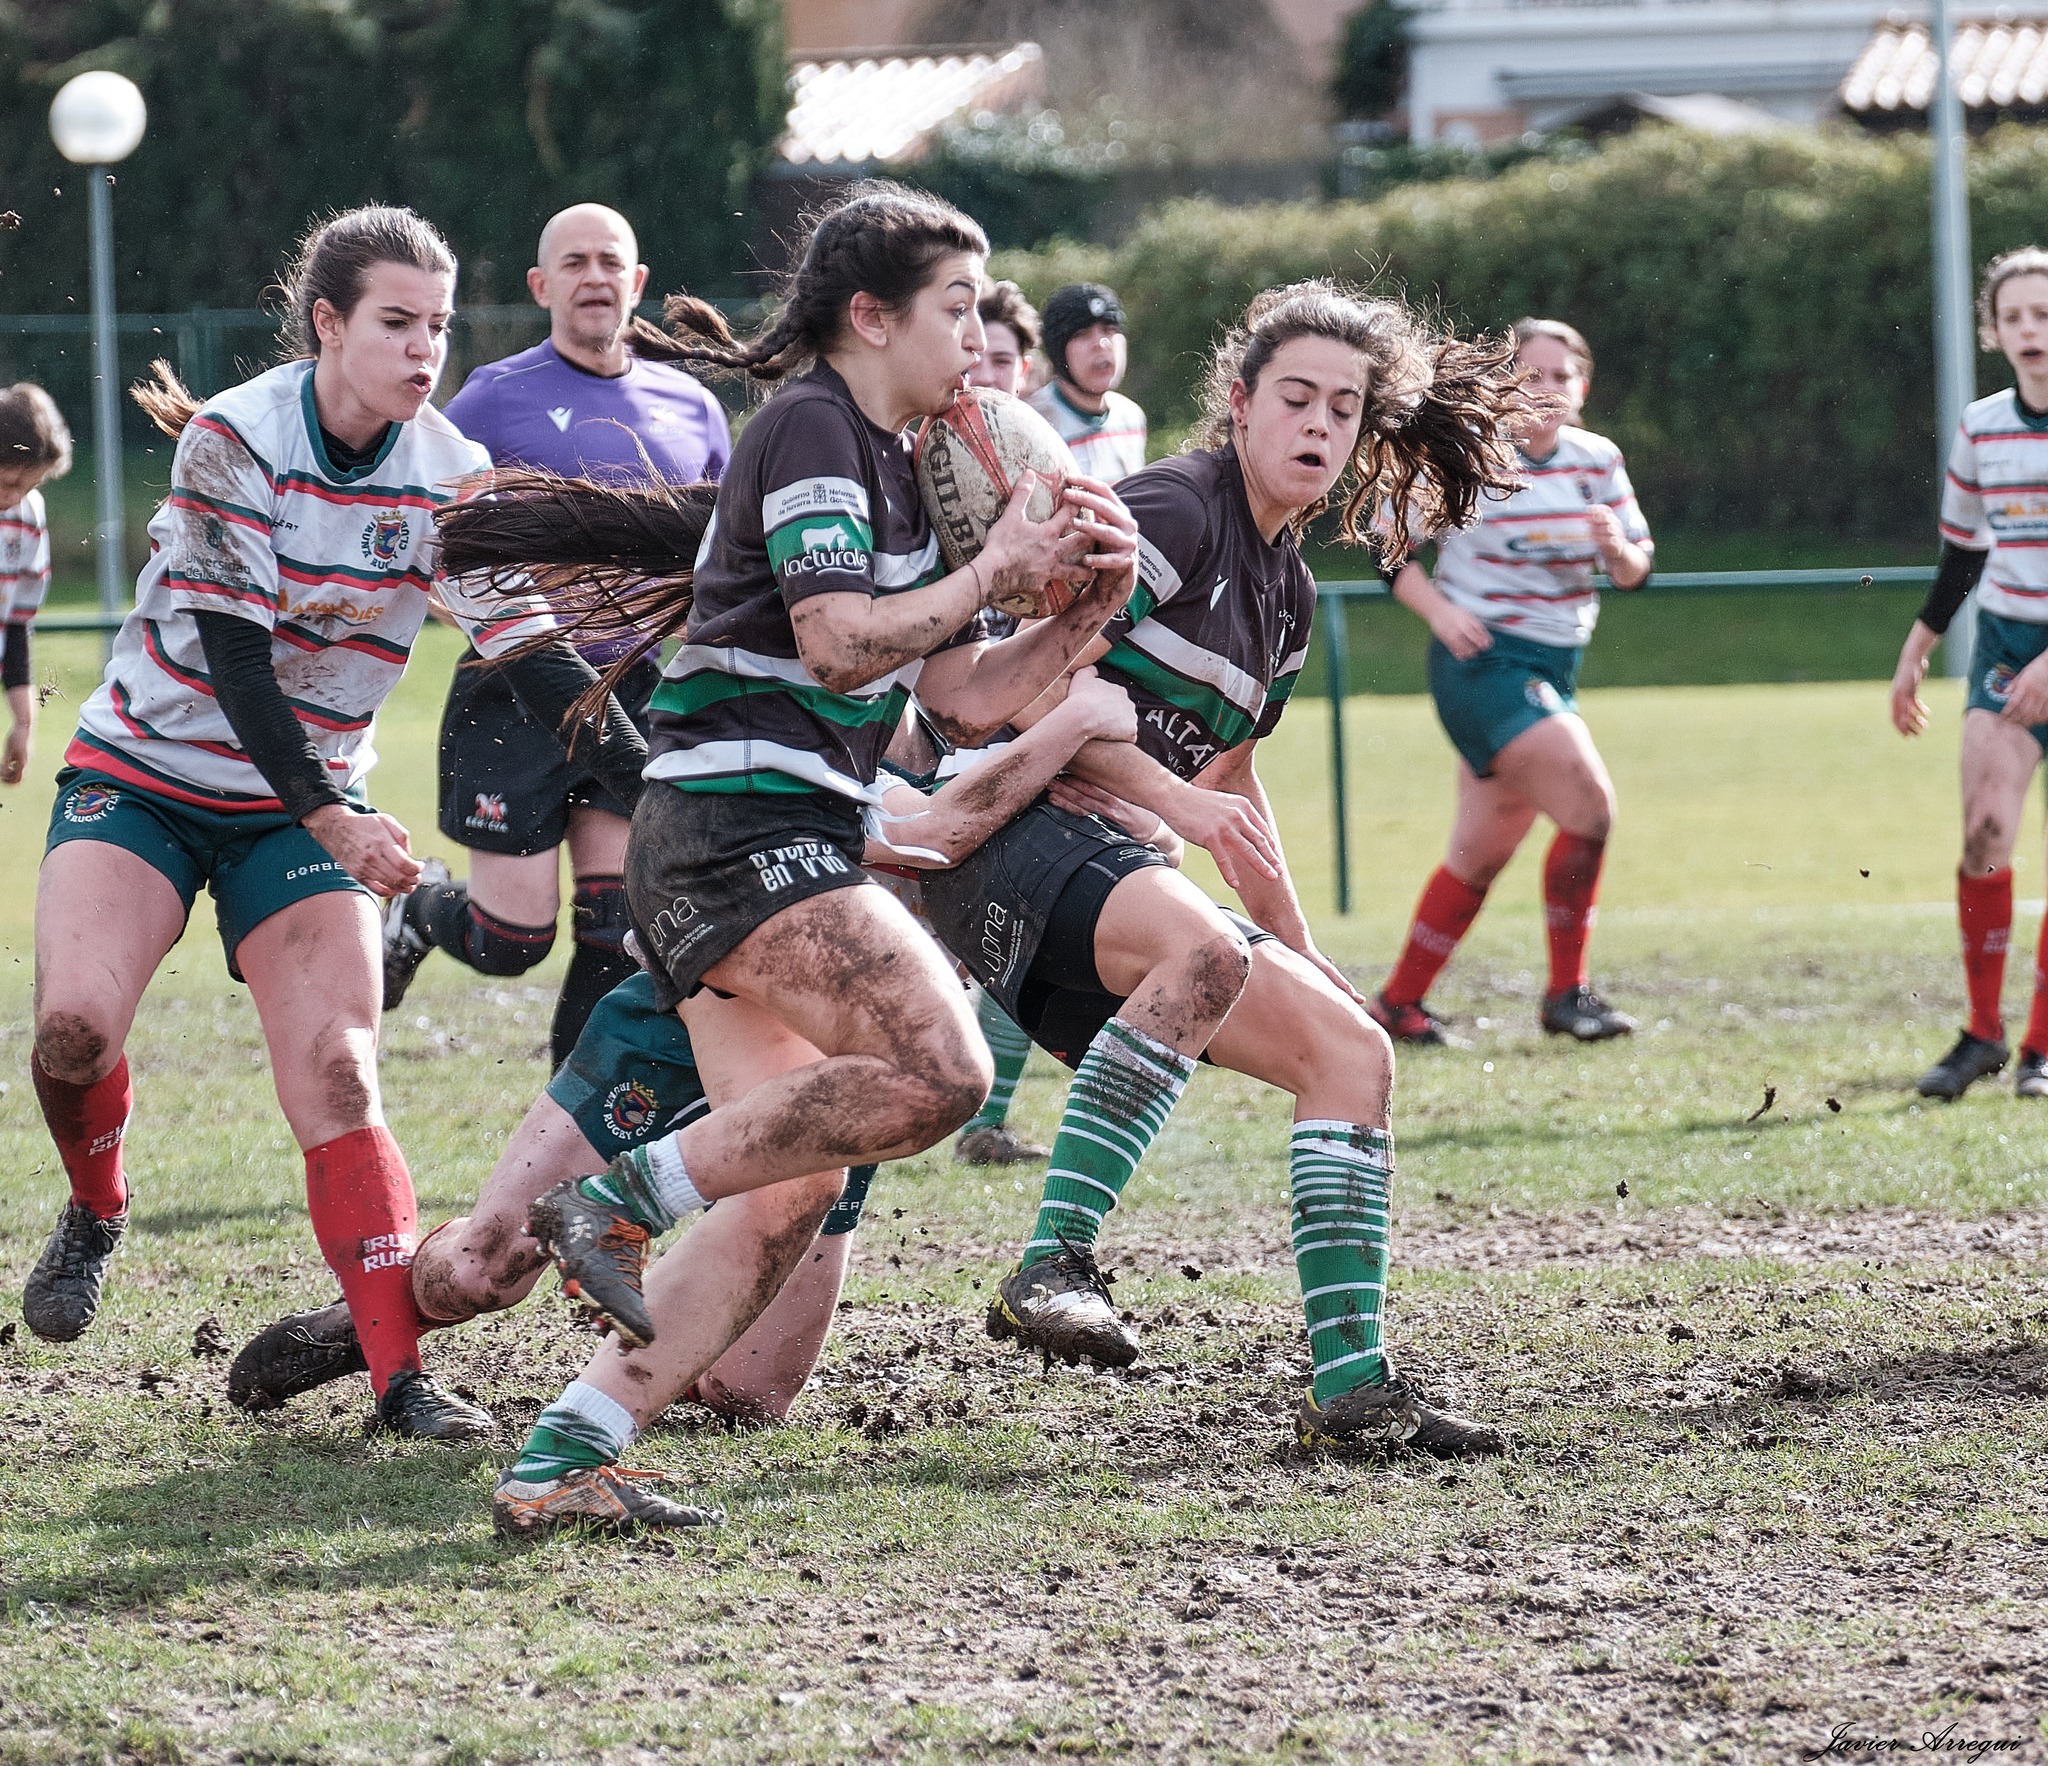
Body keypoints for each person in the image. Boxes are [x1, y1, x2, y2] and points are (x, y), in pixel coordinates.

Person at [417, 179, 1141, 1530]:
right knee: (948, 1072)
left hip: (774, 834)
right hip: (736, 829)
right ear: (870, 315)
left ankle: (565, 1455)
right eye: (957, 308)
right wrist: (1000, 570)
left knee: (792, 1181)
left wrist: (1079, 620)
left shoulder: (908, 462)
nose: (981, 338)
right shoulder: (817, 423)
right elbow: (833, 640)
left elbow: (966, 697)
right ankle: (617, 1200)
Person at [20, 206, 648, 1441]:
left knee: (343, 1072)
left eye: (439, 326)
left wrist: (657, 786)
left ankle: (399, 1380)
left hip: (294, 817)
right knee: (75, 1028)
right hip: (145, 774)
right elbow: (238, 662)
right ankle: (97, 1203)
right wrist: (335, 812)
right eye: (396, 323)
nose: (426, 350)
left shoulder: (449, 473)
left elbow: (532, 655)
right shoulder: (234, 438)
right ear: (327, 323)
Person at [224, 671, 1140, 1487]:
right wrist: (1065, 734)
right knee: (487, 1268)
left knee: (751, 1396)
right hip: (686, 1011)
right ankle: (384, 1315)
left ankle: (609, 1361)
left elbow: (1126, 855)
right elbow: (928, 831)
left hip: (846, 1077)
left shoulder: (1047, 756)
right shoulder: (859, 710)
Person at [923, 281, 1528, 1462]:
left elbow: (1234, 788)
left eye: (1343, 408)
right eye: (1294, 396)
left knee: (1352, 1052)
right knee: (1199, 948)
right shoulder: (1175, 510)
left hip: (1107, 872)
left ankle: (1350, 1388)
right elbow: (1037, 687)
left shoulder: (1288, 594)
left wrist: (1303, 950)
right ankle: (1051, 1261)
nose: (1318, 422)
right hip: (1002, 830)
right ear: (1239, 405)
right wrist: (1171, 801)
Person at [382, 203, 733, 1066]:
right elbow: (428, 526)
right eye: (573, 263)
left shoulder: (691, 404)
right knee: (514, 939)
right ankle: (423, 908)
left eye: (611, 261)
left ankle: (564, 1133)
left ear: (638, 281)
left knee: (619, 926)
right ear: (542, 286)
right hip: (515, 689)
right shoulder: (494, 399)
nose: (594, 277)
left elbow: (719, 558)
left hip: (637, 690)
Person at [1369, 317, 1653, 1048]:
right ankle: (1567, 994)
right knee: (1590, 810)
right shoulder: (1466, 455)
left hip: (1555, 665)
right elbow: (1386, 546)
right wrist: (1438, 611)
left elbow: (1636, 568)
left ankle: (1398, 1004)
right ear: (1504, 384)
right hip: (1484, 664)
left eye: (1562, 375)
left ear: (1583, 388)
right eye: (1531, 373)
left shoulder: (1596, 459)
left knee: (1481, 852)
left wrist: (1618, 551)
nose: (1547, 388)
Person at [1893, 246, 2048, 1100]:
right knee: (1987, 834)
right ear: (1995, 332)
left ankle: (2043, 1048)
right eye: (2016, 316)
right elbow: (1963, 554)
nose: (2032, 330)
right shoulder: (1983, 424)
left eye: (2045, 314)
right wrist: (1916, 651)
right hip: (2006, 648)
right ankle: (1984, 1034)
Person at [955, 276, 1056, 1166]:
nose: (983, 375)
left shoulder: (1053, 461)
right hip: (933, 713)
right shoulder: (929, 460)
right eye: (971, 357)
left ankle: (984, 1120)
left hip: (1018, 706)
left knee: (1013, 919)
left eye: (1000, 361)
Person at [0, 383, 71, 787]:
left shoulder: (26, 516)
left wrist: (24, 722)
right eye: (8, 482)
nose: (15, 497)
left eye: (28, 486)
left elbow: (16, 624)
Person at [1028, 282, 1148, 484]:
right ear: (1058, 352)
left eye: (1109, 330)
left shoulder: (1130, 417)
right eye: (1081, 334)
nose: (1101, 344)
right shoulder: (1033, 424)